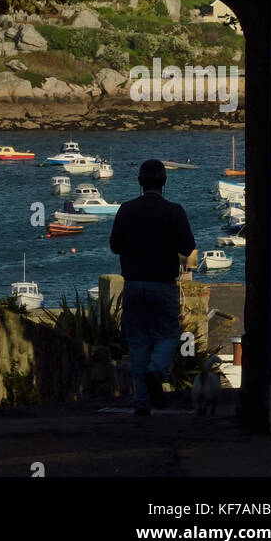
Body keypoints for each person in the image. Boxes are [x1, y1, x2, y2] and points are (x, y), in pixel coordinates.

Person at [109, 159, 197, 416]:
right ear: (164, 182)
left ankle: (142, 401)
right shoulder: (175, 211)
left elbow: (115, 246)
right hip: (162, 284)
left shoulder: (126, 210)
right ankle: (156, 370)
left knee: (137, 343)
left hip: (133, 284)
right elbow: (187, 247)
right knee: (168, 336)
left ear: (140, 181)